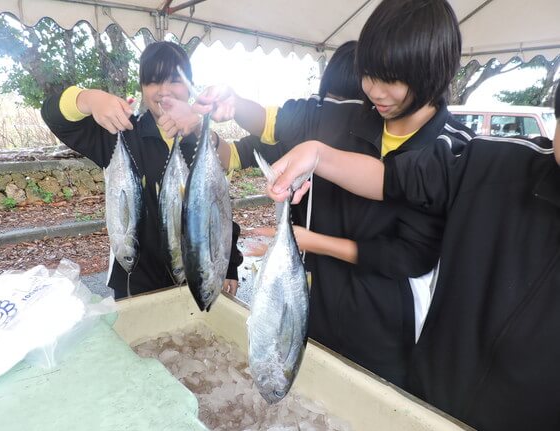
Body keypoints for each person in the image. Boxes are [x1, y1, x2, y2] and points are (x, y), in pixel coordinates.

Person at [187, 0, 474, 388]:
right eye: (369, 74)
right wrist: (235, 104)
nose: (375, 90)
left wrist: (311, 239)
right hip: (317, 309)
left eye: (392, 79)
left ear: (432, 72)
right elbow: (277, 123)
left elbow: (409, 254)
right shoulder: (347, 114)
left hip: (388, 329)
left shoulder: (451, 149)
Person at [265, 81, 560, 431]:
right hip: (422, 408)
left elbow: (407, 255)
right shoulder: (490, 163)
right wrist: (318, 155)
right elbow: (392, 179)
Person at [41, 41, 242, 300]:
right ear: (142, 87)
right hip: (135, 283)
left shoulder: (202, 144)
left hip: (194, 280)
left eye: (174, 81)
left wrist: (230, 266)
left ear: (189, 85)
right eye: (153, 82)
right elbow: (53, 117)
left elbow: (220, 211)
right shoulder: (121, 132)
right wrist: (90, 99)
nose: (163, 91)